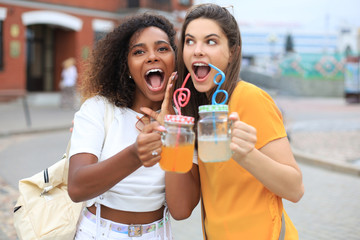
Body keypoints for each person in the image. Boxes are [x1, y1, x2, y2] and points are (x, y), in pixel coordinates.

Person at [173, 3, 304, 239]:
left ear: (233, 52)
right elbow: (182, 208)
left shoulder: (249, 98)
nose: (197, 50)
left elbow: (295, 189)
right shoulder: (195, 109)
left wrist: (246, 155)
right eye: (190, 41)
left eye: (210, 41)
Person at [67, 13, 200, 240]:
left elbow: (181, 209)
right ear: (126, 67)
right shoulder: (99, 109)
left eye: (162, 49)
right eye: (139, 52)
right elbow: (77, 187)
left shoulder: (184, 120)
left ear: (175, 61)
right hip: (98, 232)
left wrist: (172, 132)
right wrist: (136, 154)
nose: (151, 57)